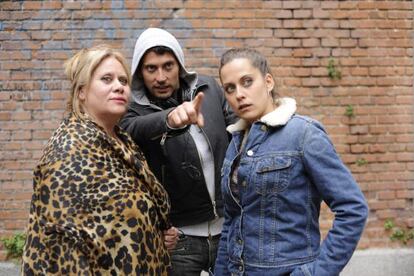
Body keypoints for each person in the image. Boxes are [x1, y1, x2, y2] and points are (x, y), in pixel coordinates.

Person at [21, 45, 177, 275]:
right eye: (107, 79)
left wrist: (154, 232)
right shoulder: (68, 152)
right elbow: (60, 254)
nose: (119, 87)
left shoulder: (121, 140)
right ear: (81, 92)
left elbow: (118, 220)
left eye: (123, 81)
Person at [214, 48, 369, 276]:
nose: (239, 94)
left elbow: (353, 209)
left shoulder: (304, 134)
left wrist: (315, 272)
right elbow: (232, 220)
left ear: (268, 82)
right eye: (230, 88)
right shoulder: (235, 143)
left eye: (247, 82)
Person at [120, 28, 236, 275]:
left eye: (168, 66)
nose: (160, 77)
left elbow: (237, 129)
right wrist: (171, 118)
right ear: (140, 72)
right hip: (179, 240)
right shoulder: (131, 109)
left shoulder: (208, 88)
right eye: (151, 68)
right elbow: (133, 129)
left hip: (227, 232)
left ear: (180, 66)